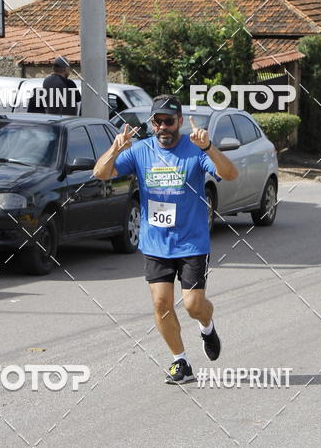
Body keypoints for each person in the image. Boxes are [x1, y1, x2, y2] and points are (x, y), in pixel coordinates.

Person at [93, 94, 238, 384]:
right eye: (157, 121)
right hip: (156, 243)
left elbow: (230, 174)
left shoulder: (195, 150)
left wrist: (209, 148)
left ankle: (207, 326)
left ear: (180, 122)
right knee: (161, 304)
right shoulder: (141, 151)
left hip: (192, 242)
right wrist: (115, 148)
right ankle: (180, 361)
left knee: (193, 305)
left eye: (169, 121)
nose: (163, 127)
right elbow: (101, 173)